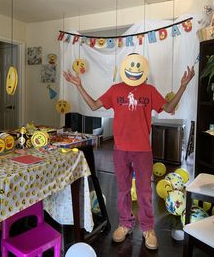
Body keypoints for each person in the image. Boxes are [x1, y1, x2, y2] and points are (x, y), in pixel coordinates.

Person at [63, 53, 195, 250]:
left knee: (144, 191)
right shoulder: (116, 90)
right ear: (125, 67)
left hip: (143, 150)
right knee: (123, 190)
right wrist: (78, 85)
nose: (133, 69)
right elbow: (93, 105)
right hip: (120, 150)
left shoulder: (149, 90)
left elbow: (168, 107)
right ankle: (125, 224)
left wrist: (183, 86)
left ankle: (148, 229)